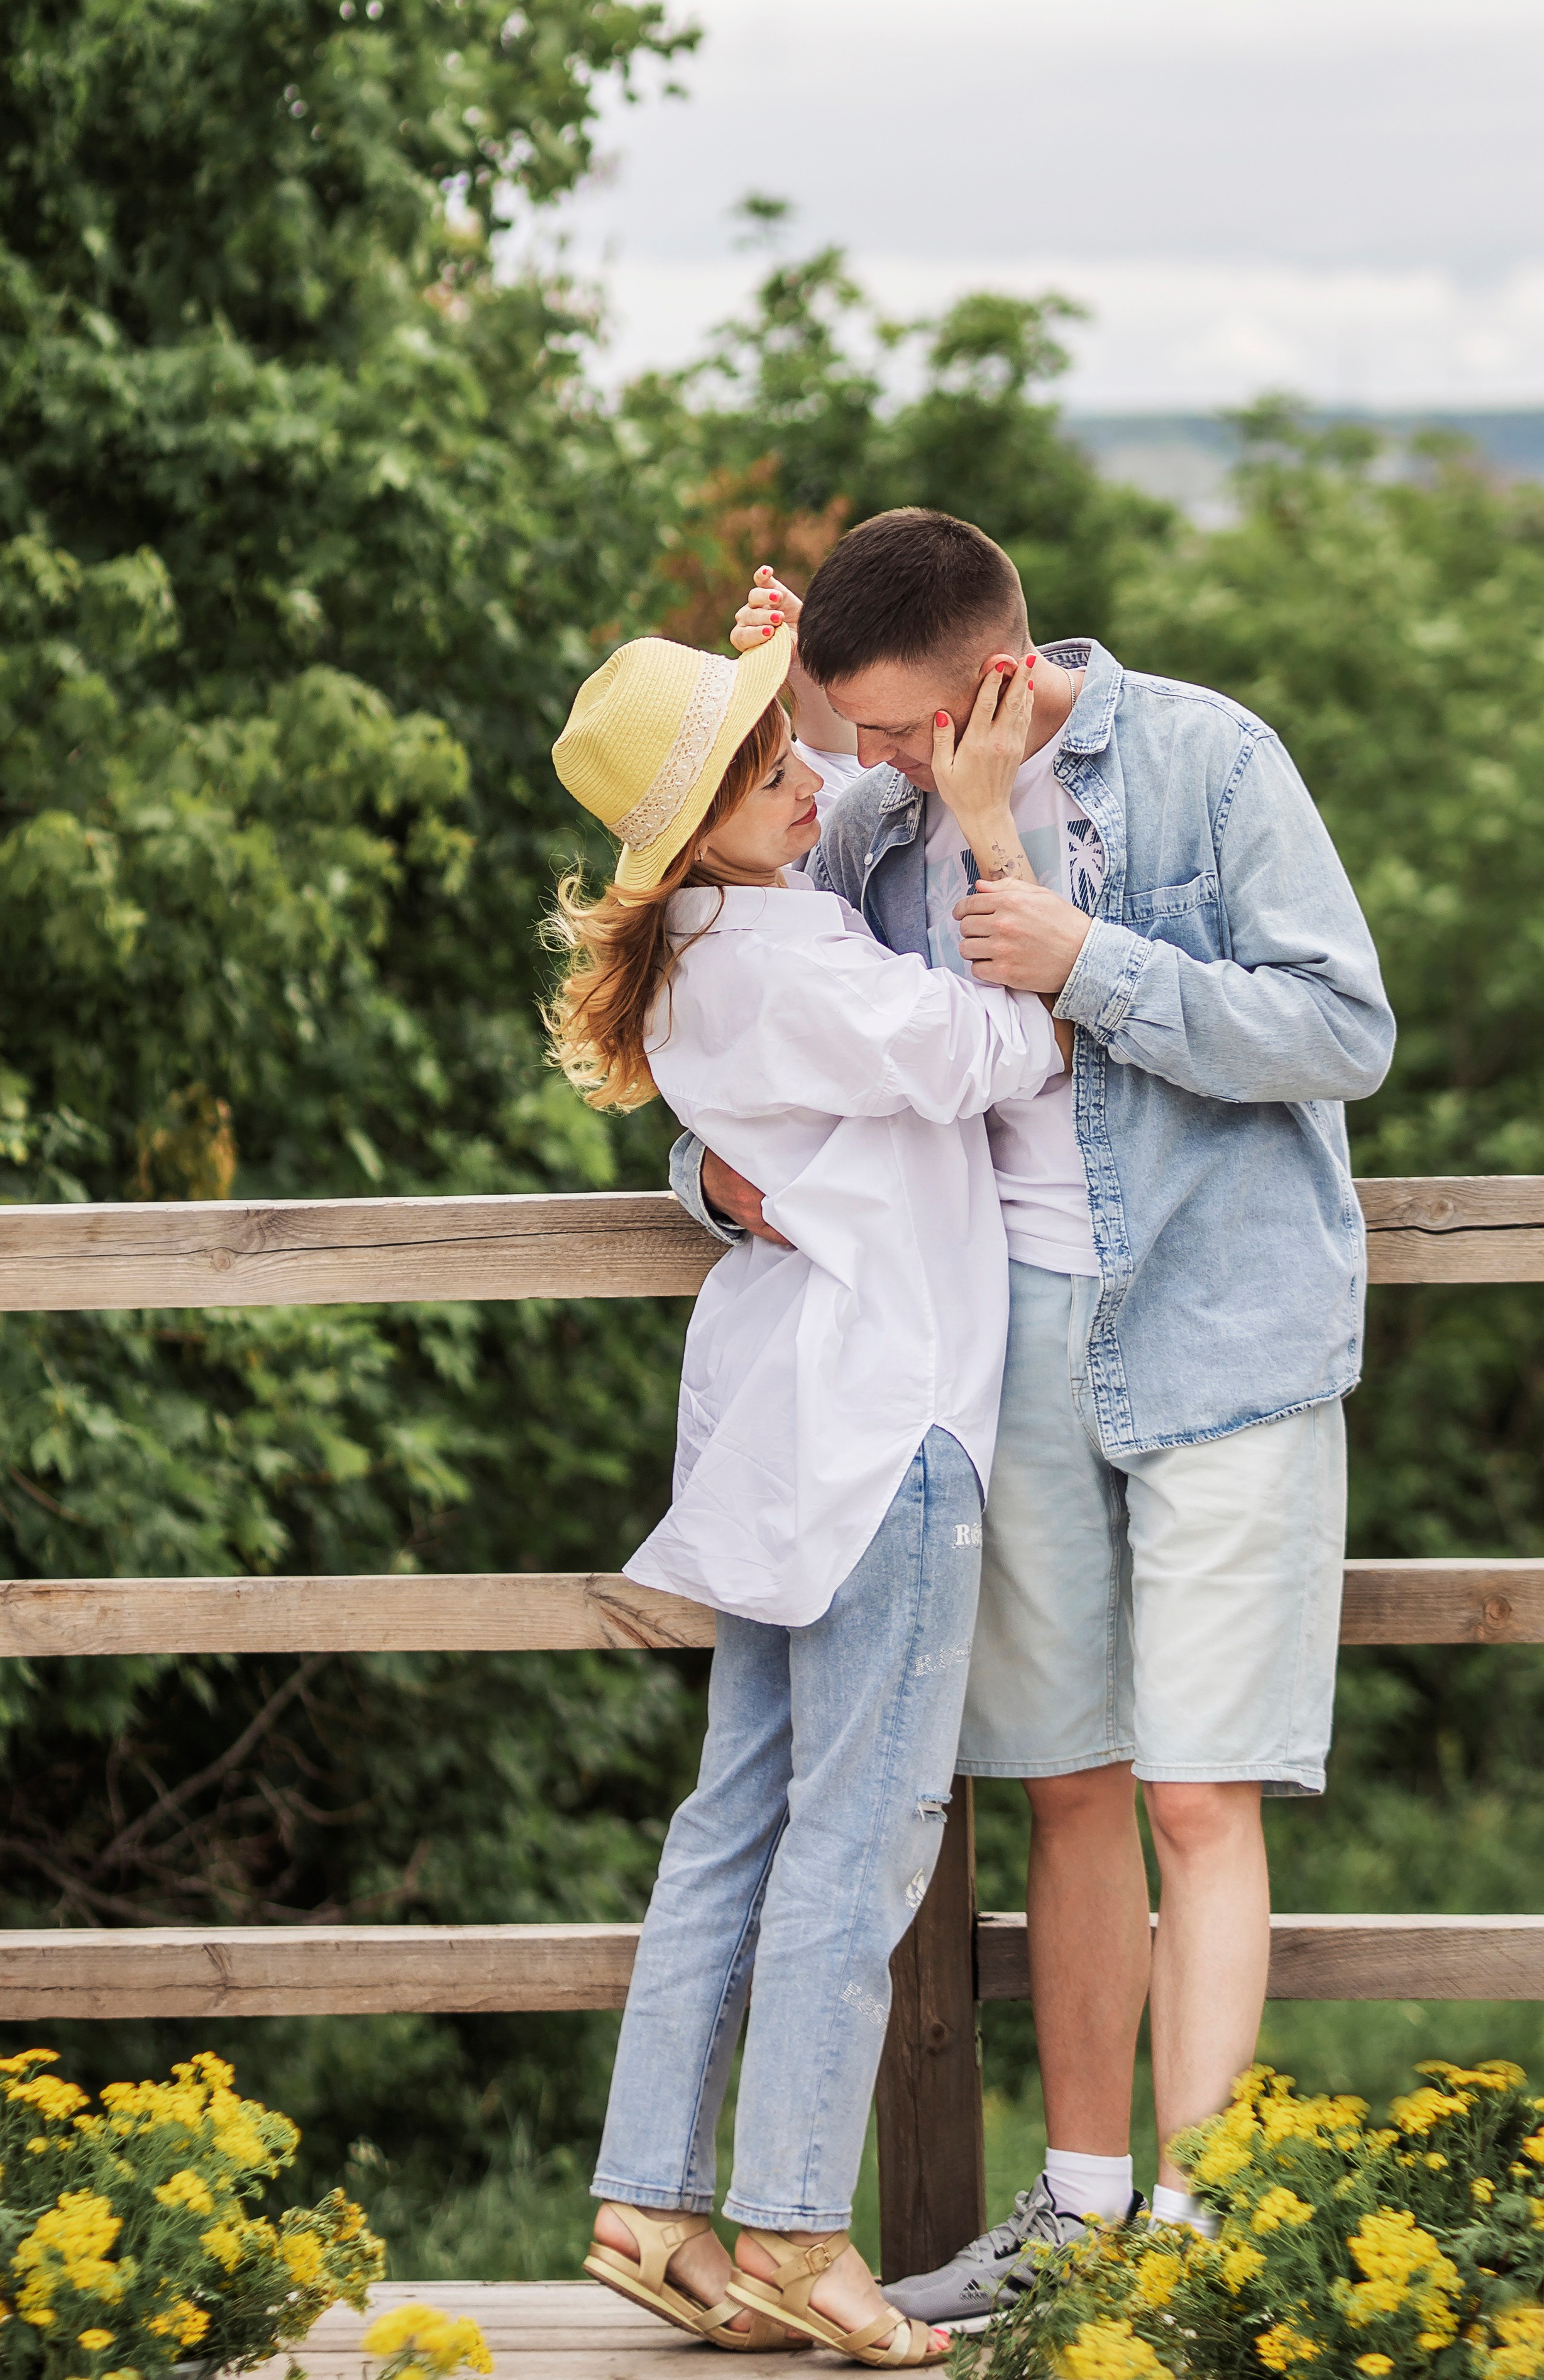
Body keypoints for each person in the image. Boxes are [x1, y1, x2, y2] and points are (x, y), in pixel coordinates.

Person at [675, 509, 1396, 2329]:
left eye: (904, 734)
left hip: (1228, 1331)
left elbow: (1341, 1031)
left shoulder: (1214, 760)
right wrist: (711, 1178)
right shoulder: (879, 814)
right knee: (1066, 1788)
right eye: (858, 739)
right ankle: (1080, 2216)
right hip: (998, 1345)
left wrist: (1089, 963)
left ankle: (1201, 2245)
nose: (876, 771)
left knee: (1202, 1796)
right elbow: (739, 998)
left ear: (994, 678)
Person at [546, 621, 1068, 2366]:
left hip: (783, 1417)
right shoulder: (798, 963)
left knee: (739, 1813)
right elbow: (1016, 1055)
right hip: (884, 1424)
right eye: (771, 764)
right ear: (702, 826)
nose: (816, 777)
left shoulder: (704, 934)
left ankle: (648, 2199)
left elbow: (815, 810)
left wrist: (763, 672)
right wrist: (997, 845)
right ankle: (790, 2224)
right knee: (860, 1836)